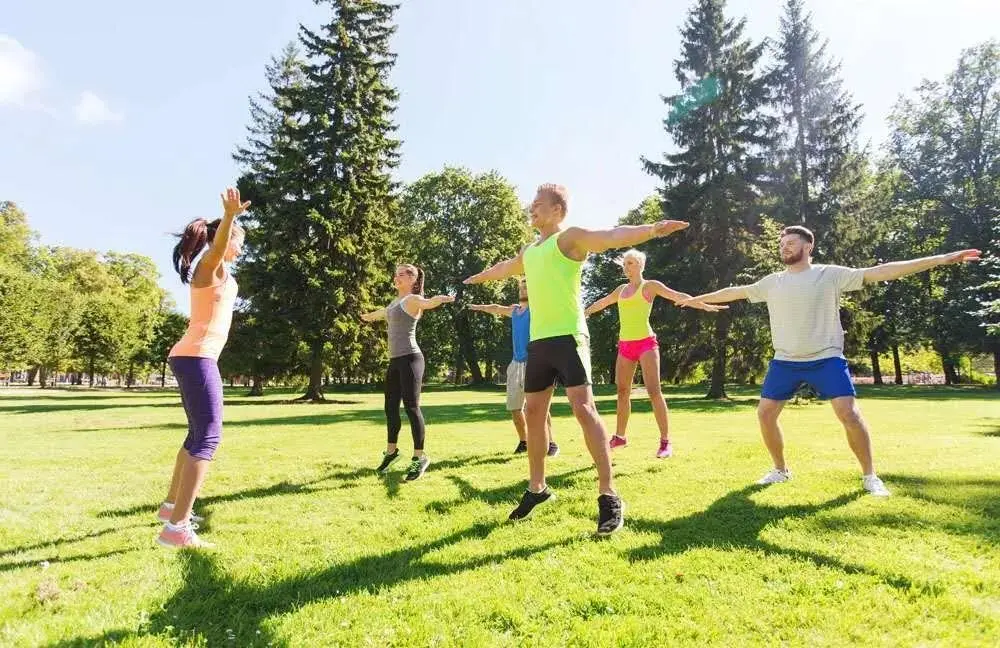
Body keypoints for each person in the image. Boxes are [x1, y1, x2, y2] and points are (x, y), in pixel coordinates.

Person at [679, 225, 980, 496]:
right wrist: (696, 299)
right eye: (782, 243)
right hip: (785, 361)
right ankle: (781, 471)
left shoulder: (830, 275)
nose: (784, 247)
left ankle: (870, 476)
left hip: (826, 358)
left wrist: (941, 259)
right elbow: (735, 291)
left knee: (849, 414)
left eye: (791, 243)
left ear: (808, 246)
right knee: (765, 414)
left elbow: (884, 271)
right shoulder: (772, 282)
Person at [465, 183, 689, 535]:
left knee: (583, 409)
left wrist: (652, 229)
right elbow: (507, 267)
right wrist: (481, 277)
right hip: (539, 340)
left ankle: (608, 493)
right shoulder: (530, 250)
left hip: (569, 337)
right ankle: (537, 489)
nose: (531, 209)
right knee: (533, 412)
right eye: (532, 204)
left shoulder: (568, 239)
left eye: (538, 204)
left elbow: (612, 236)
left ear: (557, 211)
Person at [157, 187, 248, 549]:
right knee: (208, 437)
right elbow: (218, 248)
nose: (241, 247)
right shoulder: (209, 267)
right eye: (238, 241)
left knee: (196, 435)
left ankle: (170, 509)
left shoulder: (219, 271)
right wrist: (229, 218)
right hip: (197, 357)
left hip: (193, 355)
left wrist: (228, 223)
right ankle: (176, 529)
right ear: (223, 240)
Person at [584, 248, 725, 458]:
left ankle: (665, 442)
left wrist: (702, 305)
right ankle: (620, 436)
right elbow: (602, 303)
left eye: (630, 263)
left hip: (646, 344)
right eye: (625, 264)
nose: (626, 267)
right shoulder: (620, 290)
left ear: (640, 265)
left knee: (654, 392)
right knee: (622, 392)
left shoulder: (649, 287)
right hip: (625, 345)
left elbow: (677, 296)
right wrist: (583, 313)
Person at [362, 264, 454, 481]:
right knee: (390, 407)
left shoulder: (412, 300)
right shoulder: (394, 302)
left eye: (403, 273)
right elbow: (381, 313)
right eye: (397, 273)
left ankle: (419, 457)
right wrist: (365, 316)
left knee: (412, 407)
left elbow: (427, 303)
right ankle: (392, 452)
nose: (397, 276)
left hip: (411, 359)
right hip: (395, 361)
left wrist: (438, 299)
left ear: (413, 279)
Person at [468, 277, 560, 456]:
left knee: (539, 407)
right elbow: (495, 308)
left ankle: (551, 443)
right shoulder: (515, 310)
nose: (523, 290)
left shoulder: (537, 310)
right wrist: (478, 307)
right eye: (521, 287)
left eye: (527, 287)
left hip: (534, 362)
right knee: (515, 408)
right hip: (515, 364)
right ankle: (523, 441)